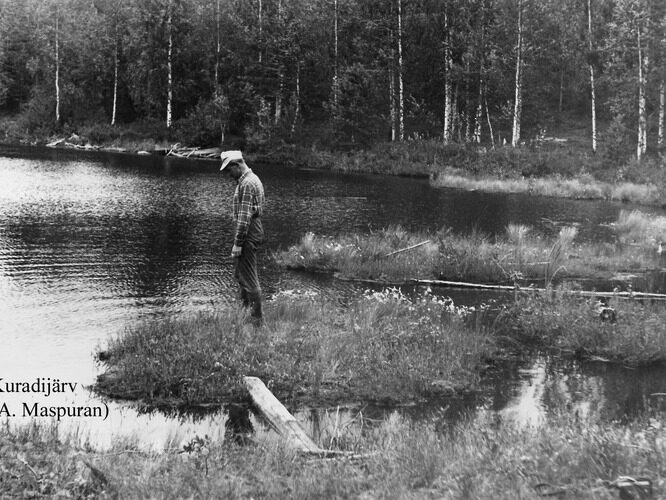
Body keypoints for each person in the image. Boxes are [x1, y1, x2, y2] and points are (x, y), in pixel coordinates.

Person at [220, 150, 265, 325]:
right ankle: (245, 316)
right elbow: (257, 210)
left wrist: (238, 243)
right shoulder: (252, 179)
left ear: (236, 165)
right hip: (252, 232)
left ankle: (257, 323)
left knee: (249, 278)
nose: (228, 175)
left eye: (228, 171)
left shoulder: (247, 183)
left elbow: (245, 217)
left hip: (248, 234)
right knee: (242, 275)